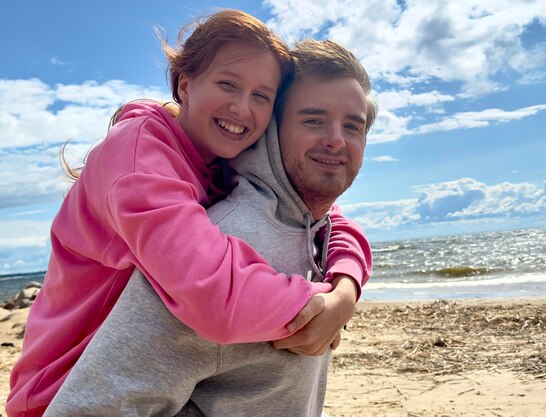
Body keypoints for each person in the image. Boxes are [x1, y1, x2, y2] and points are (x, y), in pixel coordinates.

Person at [42, 38, 376, 417]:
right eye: (313, 120)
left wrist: (345, 289)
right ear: (271, 131)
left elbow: (335, 220)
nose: (336, 140)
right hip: (50, 382)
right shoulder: (220, 241)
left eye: (353, 126)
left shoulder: (304, 225)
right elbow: (88, 407)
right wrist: (314, 305)